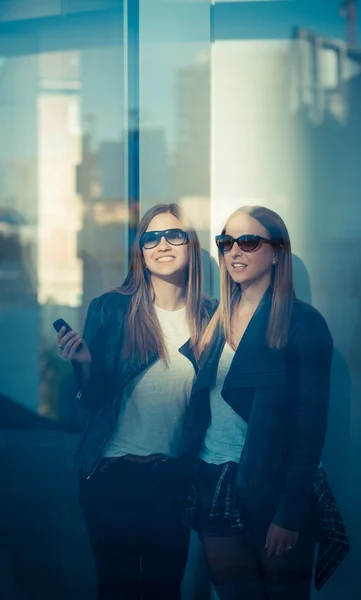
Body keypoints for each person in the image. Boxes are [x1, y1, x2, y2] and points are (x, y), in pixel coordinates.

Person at [181, 206, 350, 600]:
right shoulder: (212, 322)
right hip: (214, 482)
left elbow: (310, 433)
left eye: (249, 241)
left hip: (274, 489)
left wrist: (289, 514)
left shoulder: (303, 324)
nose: (234, 252)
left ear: (276, 252)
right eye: (226, 243)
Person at [56, 203, 218, 600]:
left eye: (174, 235)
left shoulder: (211, 317)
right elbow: (91, 402)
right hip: (113, 477)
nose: (162, 244)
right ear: (140, 253)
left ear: (191, 247)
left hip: (173, 482)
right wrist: (85, 367)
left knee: (165, 589)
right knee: (117, 589)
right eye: (151, 237)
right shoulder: (111, 309)